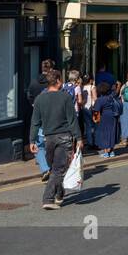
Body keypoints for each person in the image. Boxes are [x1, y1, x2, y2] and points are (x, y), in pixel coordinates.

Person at [28, 69, 83, 210]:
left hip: (48, 139)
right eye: (61, 80)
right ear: (58, 81)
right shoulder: (65, 97)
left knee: (55, 169)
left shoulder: (39, 99)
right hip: (64, 137)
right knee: (57, 170)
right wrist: (79, 138)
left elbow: (35, 122)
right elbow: (72, 120)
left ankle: (59, 194)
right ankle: (48, 199)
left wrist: (32, 140)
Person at [27, 59, 56, 182]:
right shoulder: (52, 84)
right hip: (53, 116)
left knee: (39, 144)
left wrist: (34, 105)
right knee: (53, 142)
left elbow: (29, 96)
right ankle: (52, 168)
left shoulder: (34, 82)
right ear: (51, 69)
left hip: (38, 116)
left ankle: (45, 168)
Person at [92, 82, 121, 159]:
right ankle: (111, 151)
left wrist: (95, 119)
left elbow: (96, 111)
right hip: (114, 116)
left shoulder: (100, 100)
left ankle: (106, 152)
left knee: (104, 134)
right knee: (112, 132)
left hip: (104, 117)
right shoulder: (111, 97)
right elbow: (116, 92)